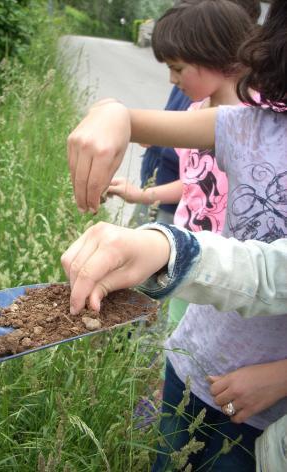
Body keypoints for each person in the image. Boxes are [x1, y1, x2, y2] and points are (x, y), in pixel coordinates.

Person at [65, 0, 287, 469]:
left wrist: (283, 377)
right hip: (190, 363)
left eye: (179, 67)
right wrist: (110, 113)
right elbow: (131, 119)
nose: (173, 79)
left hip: (262, 409)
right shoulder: (252, 126)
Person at [132, 0, 261, 228]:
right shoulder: (195, 110)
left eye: (178, 69)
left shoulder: (262, 118)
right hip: (186, 246)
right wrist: (140, 195)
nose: (172, 79)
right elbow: (191, 184)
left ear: (212, 54)